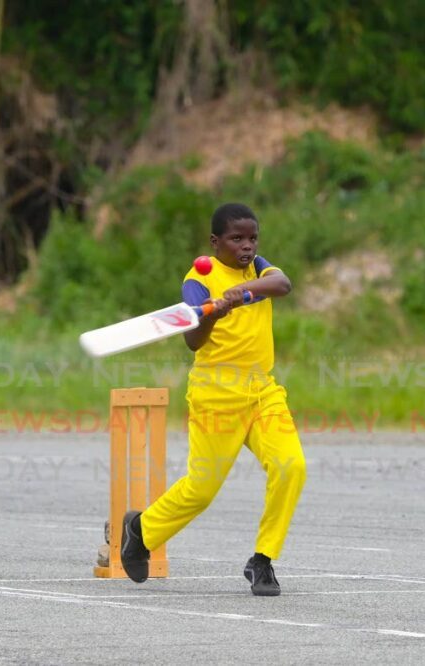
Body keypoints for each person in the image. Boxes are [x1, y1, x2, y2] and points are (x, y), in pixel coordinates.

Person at [119, 203, 306, 596]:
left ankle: (262, 560)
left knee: (291, 466)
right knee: (201, 489)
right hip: (215, 394)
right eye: (237, 239)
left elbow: (283, 284)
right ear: (215, 242)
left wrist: (241, 293)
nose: (246, 246)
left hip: (263, 391)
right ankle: (141, 529)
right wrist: (212, 315)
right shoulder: (199, 279)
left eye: (252, 238)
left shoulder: (256, 268)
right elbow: (192, 340)